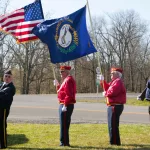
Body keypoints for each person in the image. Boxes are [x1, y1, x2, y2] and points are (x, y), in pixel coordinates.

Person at [99, 67, 126, 145]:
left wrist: (106, 94)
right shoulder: (114, 82)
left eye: (112, 73)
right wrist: (102, 81)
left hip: (115, 106)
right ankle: (114, 141)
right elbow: (107, 87)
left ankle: (114, 142)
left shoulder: (118, 82)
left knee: (113, 125)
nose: (111, 74)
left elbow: (113, 92)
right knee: (112, 124)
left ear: (118, 74)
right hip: (113, 106)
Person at [54, 66, 76, 147]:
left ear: (66, 72)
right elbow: (62, 92)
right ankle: (63, 141)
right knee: (63, 124)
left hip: (66, 105)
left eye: (62, 71)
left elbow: (69, 94)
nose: (60, 73)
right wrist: (57, 85)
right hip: (63, 104)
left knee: (64, 125)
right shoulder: (66, 80)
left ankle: (65, 142)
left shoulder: (69, 80)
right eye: (60, 71)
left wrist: (65, 105)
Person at [0, 70, 16, 149]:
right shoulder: (1, 84)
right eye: (6, 76)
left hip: (3, 109)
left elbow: (2, 94)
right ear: (3, 77)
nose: (7, 78)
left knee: (2, 126)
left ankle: (3, 145)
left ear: (11, 78)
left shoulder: (11, 87)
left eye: (9, 77)